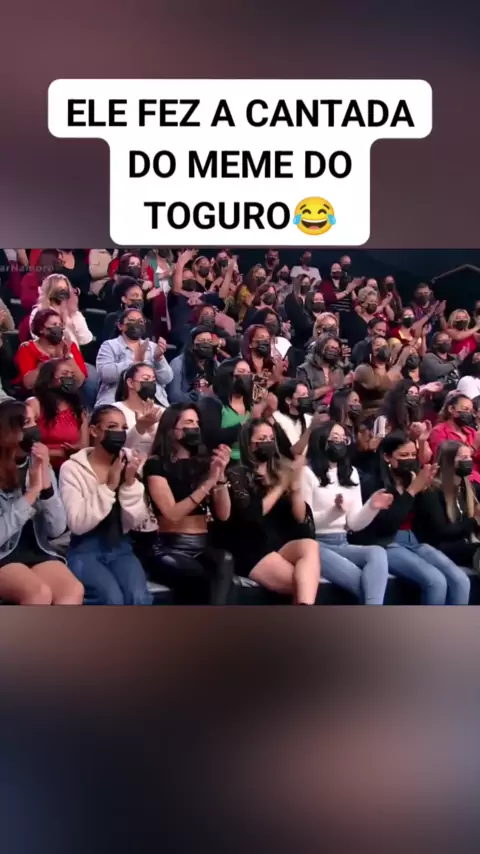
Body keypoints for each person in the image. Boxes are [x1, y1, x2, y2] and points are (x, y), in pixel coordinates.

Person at [352, 431, 471, 605]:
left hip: (416, 541)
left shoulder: (413, 479)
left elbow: (430, 521)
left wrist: (426, 490)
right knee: (435, 582)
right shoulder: (373, 483)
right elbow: (387, 525)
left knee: (461, 581)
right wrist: (412, 491)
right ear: (387, 457)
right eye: (403, 455)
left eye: (413, 455)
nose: (409, 459)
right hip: (386, 543)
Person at [59, 405, 153, 605]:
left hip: (122, 547)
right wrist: (109, 486)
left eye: (123, 427)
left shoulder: (130, 461)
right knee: (112, 599)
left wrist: (130, 484)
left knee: (138, 597)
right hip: (85, 550)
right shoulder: (73, 469)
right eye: (112, 426)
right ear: (94, 430)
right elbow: (77, 523)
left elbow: (137, 521)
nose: (119, 432)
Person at [143, 404, 234, 605]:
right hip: (169, 547)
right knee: (198, 577)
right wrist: (208, 483)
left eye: (197, 423)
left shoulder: (205, 463)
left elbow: (224, 514)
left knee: (224, 561)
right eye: (188, 422)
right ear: (171, 429)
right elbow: (172, 514)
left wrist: (220, 476)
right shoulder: (156, 464)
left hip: (202, 544)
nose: (195, 427)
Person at [227, 418, 320, 604]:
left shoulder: (281, 469)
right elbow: (252, 514)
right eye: (262, 439)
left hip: (280, 543)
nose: (268, 443)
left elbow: (300, 519)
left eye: (271, 438)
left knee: (310, 546)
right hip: (252, 546)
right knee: (303, 583)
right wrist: (281, 486)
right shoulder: (237, 473)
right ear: (249, 444)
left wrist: (296, 487)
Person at [0, 399, 84, 605]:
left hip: (37, 550)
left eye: (35, 421)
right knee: (38, 594)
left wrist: (45, 484)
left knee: (73, 591)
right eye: (26, 423)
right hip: (3, 554)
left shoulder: (37, 462)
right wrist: (31, 493)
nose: (34, 429)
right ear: (7, 431)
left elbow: (57, 529)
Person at [303, 422, 391, 605]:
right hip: (315, 545)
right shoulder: (307, 473)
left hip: (342, 542)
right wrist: (333, 511)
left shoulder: (351, 473)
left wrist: (372, 507)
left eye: (344, 439)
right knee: (366, 585)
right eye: (335, 438)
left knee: (377, 552)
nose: (341, 443)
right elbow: (305, 523)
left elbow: (353, 523)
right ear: (321, 441)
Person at [413, 441, 480, 569]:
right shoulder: (431, 492)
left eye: (469, 457)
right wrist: (473, 519)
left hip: (460, 545)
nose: (469, 461)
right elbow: (442, 532)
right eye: (463, 457)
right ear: (448, 462)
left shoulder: (466, 488)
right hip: (436, 548)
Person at [96, 307, 172, 407]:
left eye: (141, 321)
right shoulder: (109, 345)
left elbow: (167, 378)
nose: (137, 323)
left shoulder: (153, 347)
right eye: (132, 320)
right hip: (116, 399)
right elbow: (105, 374)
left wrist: (159, 359)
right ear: (120, 326)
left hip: (152, 400)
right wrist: (134, 362)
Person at [27, 358, 89, 470]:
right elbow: (26, 445)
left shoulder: (79, 411)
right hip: (39, 466)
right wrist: (61, 453)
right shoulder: (35, 404)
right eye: (65, 374)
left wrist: (75, 451)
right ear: (50, 378)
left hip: (70, 468)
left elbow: (84, 447)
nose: (69, 378)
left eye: (72, 374)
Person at [15, 308, 88, 395]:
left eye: (60, 325)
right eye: (54, 324)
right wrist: (48, 363)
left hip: (66, 394)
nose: (58, 328)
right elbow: (28, 384)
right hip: (37, 395)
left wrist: (67, 355)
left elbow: (79, 381)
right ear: (41, 329)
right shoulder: (27, 348)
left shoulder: (70, 346)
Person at [198, 359, 253, 460]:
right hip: (224, 462)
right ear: (228, 375)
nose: (246, 376)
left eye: (249, 373)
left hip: (249, 460)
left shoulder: (250, 405)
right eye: (241, 371)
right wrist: (245, 425)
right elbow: (211, 438)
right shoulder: (212, 403)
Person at [29, 273, 93, 349]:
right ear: (50, 291)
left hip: (73, 354)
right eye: (59, 289)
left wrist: (74, 315)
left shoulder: (73, 312)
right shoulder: (38, 312)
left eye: (65, 289)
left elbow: (86, 339)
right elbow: (37, 337)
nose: (63, 292)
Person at [114, 362, 165, 455]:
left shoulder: (162, 411)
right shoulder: (115, 411)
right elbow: (116, 447)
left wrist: (152, 430)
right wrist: (140, 428)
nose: (150, 383)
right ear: (130, 382)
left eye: (153, 380)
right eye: (146, 379)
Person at [353, 336, 408, 419]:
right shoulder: (363, 369)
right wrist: (399, 364)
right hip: (369, 416)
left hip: (391, 414)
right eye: (378, 345)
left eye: (385, 345)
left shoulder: (391, 369)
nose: (383, 348)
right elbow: (381, 385)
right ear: (371, 351)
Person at [428, 393, 480, 480]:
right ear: (451, 409)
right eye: (465, 409)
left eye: (470, 411)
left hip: (476, 477)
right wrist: (474, 446)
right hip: (452, 479)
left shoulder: (471, 431)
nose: (468, 413)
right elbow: (445, 460)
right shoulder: (439, 431)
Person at [167, 326, 218, 404]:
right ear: (192, 344)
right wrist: (197, 397)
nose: (206, 344)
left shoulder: (215, 365)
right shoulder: (177, 364)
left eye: (209, 341)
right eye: (202, 341)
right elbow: (174, 396)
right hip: (184, 407)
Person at [100, 276, 153, 343]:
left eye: (141, 296)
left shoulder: (146, 323)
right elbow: (106, 343)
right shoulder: (113, 318)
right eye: (135, 295)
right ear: (124, 299)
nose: (139, 299)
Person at [297, 334, 346, 404]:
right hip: (313, 409)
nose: (333, 351)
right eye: (331, 347)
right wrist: (330, 387)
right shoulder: (304, 369)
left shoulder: (338, 369)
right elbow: (304, 397)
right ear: (320, 347)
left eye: (336, 349)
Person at [241, 324, 284, 403]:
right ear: (250, 343)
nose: (266, 342)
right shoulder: (243, 367)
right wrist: (272, 379)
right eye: (261, 338)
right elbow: (252, 397)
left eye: (268, 339)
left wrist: (280, 377)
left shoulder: (271, 365)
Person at [272, 379, 313, 455]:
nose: (307, 398)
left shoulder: (309, 419)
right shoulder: (276, 420)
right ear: (288, 400)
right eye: (303, 395)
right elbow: (290, 453)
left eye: (307, 394)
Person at [283, 275, 315, 350]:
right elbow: (294, 316)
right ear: (299, 284)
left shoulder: (311, 298)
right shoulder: (291, 298)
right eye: (304, 283)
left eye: (308, 283)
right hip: (296, 332)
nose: (306, 285)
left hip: (310, 331)